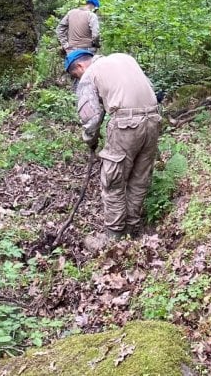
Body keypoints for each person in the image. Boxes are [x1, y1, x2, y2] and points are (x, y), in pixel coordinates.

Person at [65, 49, 160, 246]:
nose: (78, 78)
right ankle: (132, 229)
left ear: (80, 66)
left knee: (113, 180)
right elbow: (150, 90)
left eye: (76, 75)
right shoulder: (125, 58)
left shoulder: (90, 74)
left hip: (126, 124)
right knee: (139, 179)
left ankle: (114, 237)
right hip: (153, 119)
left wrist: (90, 140)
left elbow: (90, 117)